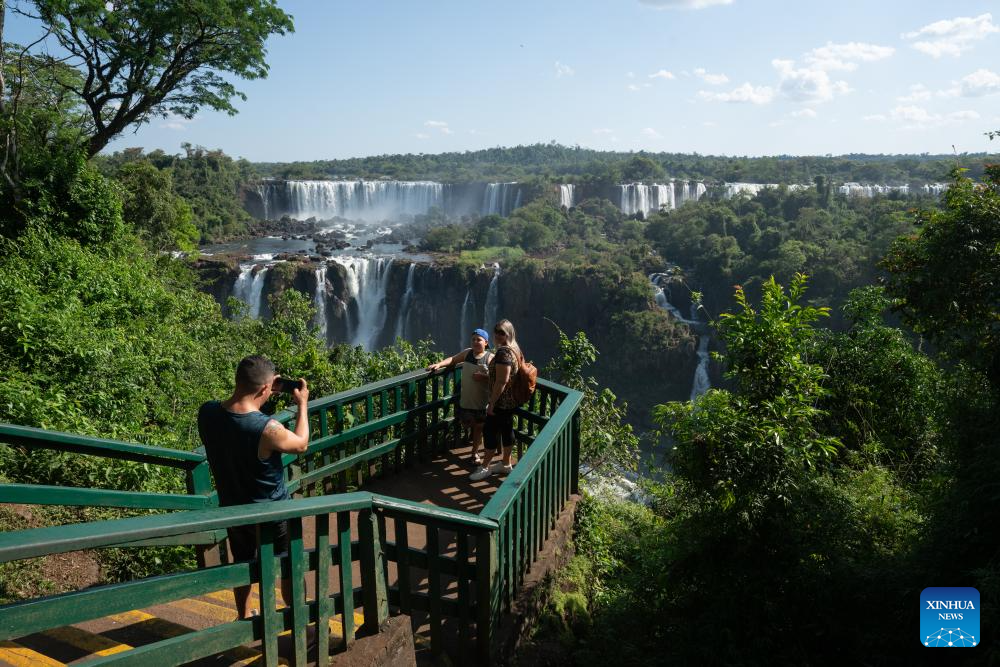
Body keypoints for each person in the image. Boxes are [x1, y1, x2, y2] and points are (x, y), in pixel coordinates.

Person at [197, 355, 309, 620]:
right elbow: (301, 443)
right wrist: (302, 405)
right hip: (272, 513)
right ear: (264, 389)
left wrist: (268, 385)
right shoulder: (268, 428)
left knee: (243, 563)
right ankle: (303, 625)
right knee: (289, 566)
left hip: (235, 510)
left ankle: (245, 616)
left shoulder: (208, 412)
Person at [426, 329, 493, 464]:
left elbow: (498, 377)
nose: (475, 342)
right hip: (466, 400)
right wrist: (439, 364)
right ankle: (474, 445)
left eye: (478, 340)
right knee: (467, 424)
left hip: (481, 402)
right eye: (473, 339)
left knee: (478, 428)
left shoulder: (490, 358)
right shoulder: (468, 353)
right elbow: (453, 359)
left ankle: (474, 453)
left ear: (486, 342)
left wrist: (484, 377)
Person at [471, 319, 522, 481]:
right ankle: (506, 464)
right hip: (511, 401)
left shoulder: (503, 353)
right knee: (507, 430)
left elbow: (502, 380)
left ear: (509, 333)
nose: (498, 335)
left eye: (502, 332)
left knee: (490, 432)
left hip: (501, 401)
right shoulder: (515, 349)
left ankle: (485, 467)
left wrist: (491, 403)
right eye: (497, 331)